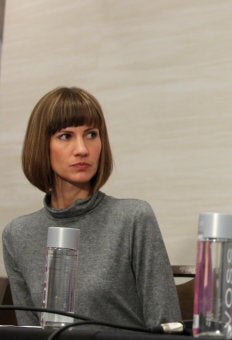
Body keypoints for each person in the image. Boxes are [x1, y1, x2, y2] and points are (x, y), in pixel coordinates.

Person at [2, 87, 181, 329]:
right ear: (41, 146)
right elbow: (30, 332)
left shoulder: (132, 218)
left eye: (91, 134)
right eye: (66, 136)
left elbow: (167, 325)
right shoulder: (18, 234)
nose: (82, 149)